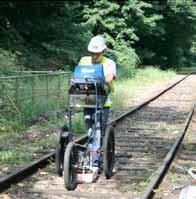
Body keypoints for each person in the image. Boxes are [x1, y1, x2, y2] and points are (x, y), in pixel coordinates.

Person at [79, 35, 116, 136]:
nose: (94, 56)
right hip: (88, 100)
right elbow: (77, 74)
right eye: (92, 53)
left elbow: (109, 77)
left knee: (101, 130)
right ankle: (91, 148)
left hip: (103, 102)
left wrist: (97, 80)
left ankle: (100, 147)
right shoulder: (84, 60)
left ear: (103, 51)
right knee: (89, 128)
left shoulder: (109, 63)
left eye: (97, 53)